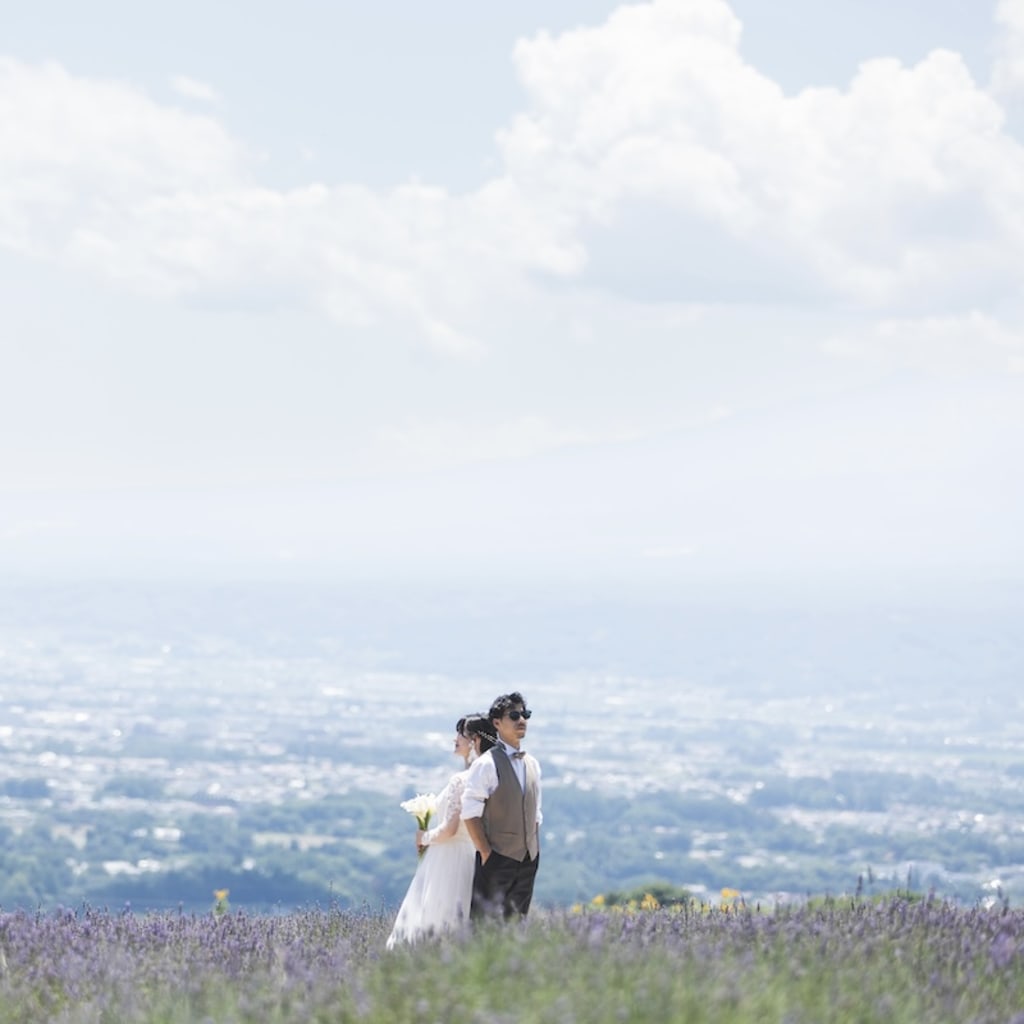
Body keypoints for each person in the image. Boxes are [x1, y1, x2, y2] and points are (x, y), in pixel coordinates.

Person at [386, 715, 495, 948]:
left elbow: (450, 829)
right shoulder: (490, 776)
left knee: (435, 922)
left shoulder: (461, 780)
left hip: (448, 859)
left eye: (461, 734)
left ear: (474, 740)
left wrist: (424, 837)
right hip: (472, 857)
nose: (455, 739)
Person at [461, 691, 542, 921]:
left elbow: (536, 813)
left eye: (525, 714)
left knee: (516, 926)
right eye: (514, 715)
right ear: (497, 722)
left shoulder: (533, 764)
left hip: (528, 860)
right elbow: (470, 812)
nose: (522, 720)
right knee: (484, 927)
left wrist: (534, 853)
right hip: (496, 858)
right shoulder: (486, 764)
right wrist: (486, 852)